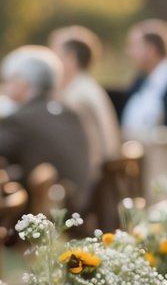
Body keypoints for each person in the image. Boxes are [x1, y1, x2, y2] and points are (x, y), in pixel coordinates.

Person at [0, 45, 92, 211]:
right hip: (79, 204)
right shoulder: (70, 112)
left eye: (8, 80)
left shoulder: (22, 119)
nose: (5, 87)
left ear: (22, 83)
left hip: (49, 213)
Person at [49, 26, 121, 180]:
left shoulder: (78, 97)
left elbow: (75, 153)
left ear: (70, 59)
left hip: (92, 185)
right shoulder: (85, 87)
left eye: (55, 55)